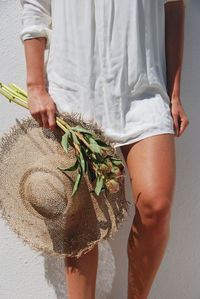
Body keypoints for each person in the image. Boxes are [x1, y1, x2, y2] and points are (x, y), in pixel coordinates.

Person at [19, 0, 190, 298]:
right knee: (81, 218)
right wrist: (36, 86)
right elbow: (35, 5)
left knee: (156, 206)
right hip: (74, 90)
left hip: (143, 90)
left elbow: (174, 6)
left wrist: (174, 93)